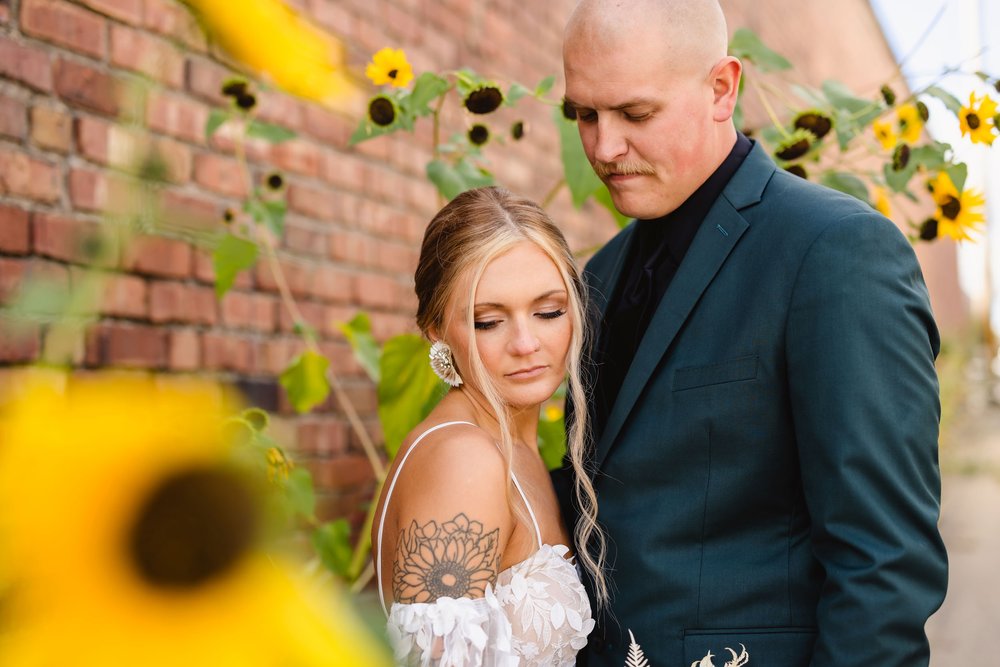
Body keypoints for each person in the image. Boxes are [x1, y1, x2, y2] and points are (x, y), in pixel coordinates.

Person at [553, 1, 948, 665]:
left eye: (635, 113)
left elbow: (884, 566)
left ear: (722, 88)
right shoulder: (598, 274)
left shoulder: (835, 252)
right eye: (584, 115)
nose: (603, 147)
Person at [371, 186, 608, 666]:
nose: (526, 343)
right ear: (436, 329)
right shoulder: (465, 460)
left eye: (548, 312)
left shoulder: (512, 448)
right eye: (487, 321)